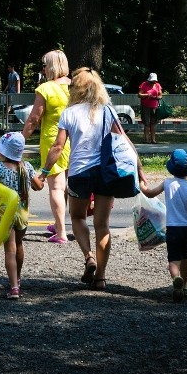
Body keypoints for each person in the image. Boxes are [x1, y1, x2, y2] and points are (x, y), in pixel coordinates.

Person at [37, 68, 147, 291]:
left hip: (79, 173)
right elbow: (124, 140)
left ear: (75, 88)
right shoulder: (107, 110)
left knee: (77, 217)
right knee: (102, 225)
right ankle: (101, 278)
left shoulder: (69, 113)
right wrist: (140, 168)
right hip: (106, 172)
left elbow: (58, 147)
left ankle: (88, 257)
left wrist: (43, 173)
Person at [0, 132, 43, 299]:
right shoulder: (27, 167)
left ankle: (14, 287)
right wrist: (43, 175)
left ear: (4, 151)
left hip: (5, 212)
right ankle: (18, 278)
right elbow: (38, 186)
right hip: (22, 213)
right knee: (19, 244)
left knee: (10, 249)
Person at [143, 149, 187, 302]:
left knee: (173, 260)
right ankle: (185, 285)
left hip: (173, 228)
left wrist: (141, 184)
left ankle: (176, 278)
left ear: (171, 168)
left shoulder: (167, 183)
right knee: (186, 257)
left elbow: (150, 193)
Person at [21, 49, 71, 244]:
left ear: (50, 67)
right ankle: (61, 224)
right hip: (74, 140)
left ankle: (61, 233)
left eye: (43, 65)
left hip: (53, 140)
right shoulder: (76, 86)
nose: (42, 69)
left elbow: (34, 119)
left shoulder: (46, 88)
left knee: (56, 188)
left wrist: (21, 140)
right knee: (67, 187)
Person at [138, 72, 162, 144]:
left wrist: (156, 97)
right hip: (145, 106)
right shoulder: (144, 84)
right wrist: (147, 95)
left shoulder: (157, 85)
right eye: (152, 81)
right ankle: (146, 139)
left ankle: (153, 140)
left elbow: (160, 95)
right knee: (147, 123)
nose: (153, 83)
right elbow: (139, 95)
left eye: (154, 81)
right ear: (149, 80)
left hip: (154, 107)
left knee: (153, 123)